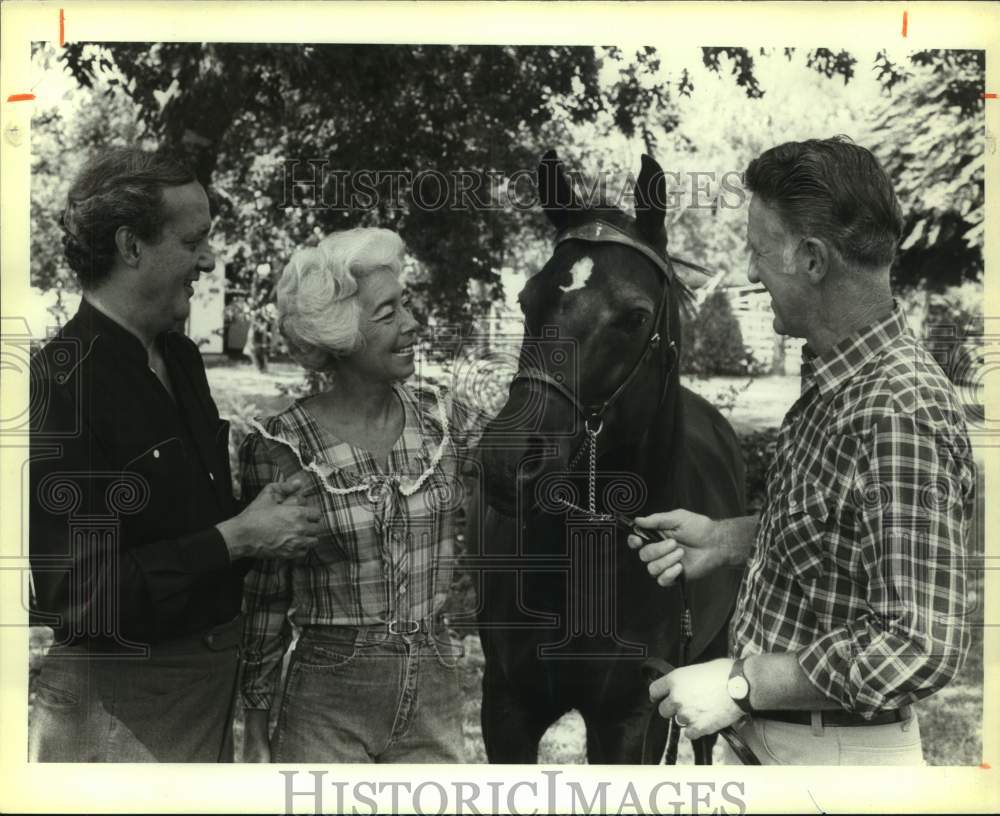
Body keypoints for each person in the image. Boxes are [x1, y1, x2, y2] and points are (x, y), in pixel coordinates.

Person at [629, 137, 975, 765]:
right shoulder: (840, 382)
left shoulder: (896, 410)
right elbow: (844, 529)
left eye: (760, 252)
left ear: (812, 260)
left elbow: (917, 645)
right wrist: (724, 539)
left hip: (833, 765)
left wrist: (740, 681)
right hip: (781, 748)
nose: (753, 272)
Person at [29, 147, 324, 762]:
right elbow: (79, 596)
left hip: (203, 691)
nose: (210, 261)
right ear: (131, 246)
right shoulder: (61, 382)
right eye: (195, 240)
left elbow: (192, 522)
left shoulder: (182, 358)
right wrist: (239, 538)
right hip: (116, 713)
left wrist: (263, 514)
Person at [239, 227, 486, 763]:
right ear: (341, 334)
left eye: (407, 305)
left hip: (436, 689)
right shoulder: (282, 445)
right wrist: (256, 731)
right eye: (388, 313)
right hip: (328, 697)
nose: (412, 324)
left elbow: (532, 478)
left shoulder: (445, 419)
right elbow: (265, 599)